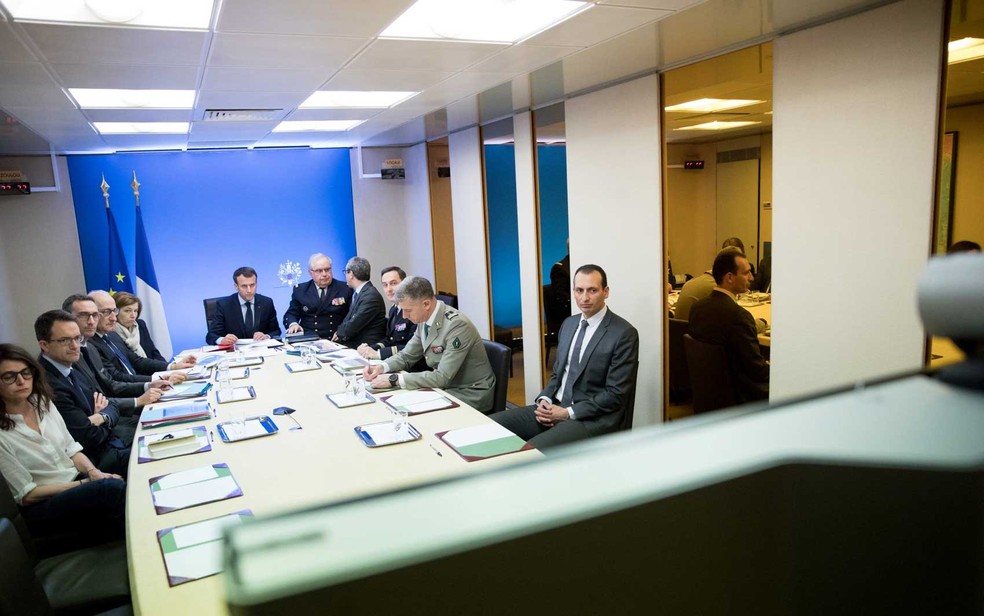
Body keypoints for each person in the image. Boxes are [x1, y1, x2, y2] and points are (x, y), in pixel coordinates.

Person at [489, 265, 639, 449]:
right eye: (579, 290)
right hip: (555, 406)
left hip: (590, 418)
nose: (584, 298)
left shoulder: (623, 333)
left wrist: (567, 413)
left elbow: (615, 395)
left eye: (592, 290)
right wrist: (545, 399)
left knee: (527, 452)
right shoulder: (568, 324)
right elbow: (558, 374)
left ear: (605, 292)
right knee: (488, 427)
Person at [0, 343, 125, 545]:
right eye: (9, 376)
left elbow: (72, 449)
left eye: (26, 372)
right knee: (110, 489)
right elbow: (27, 495)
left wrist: (94, 472)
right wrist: (87, 482)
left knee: (127, 463)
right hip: (43, 504)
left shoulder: (43, 403)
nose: (21, 381)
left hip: (76, 478)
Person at [362, 276, 496, 413]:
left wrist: (394, 379)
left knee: (409, 411)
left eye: (408, 310)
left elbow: (442, 377)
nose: (404, 316)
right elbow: (407, 355)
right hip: (445, 387)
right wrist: (382, 367)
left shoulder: (457, 325)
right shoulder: (424, 318)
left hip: (469, 392)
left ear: (426, 304)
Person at [34, 311, 130, 476]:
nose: (75, 345)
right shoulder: (47, 383)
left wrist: (101, 417)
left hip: (109, 444)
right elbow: (87, 437)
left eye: (77, 338)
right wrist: (106, 416)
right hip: (96, 461)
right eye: (65, 340)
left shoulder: (70, 367)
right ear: (44, 345)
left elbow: (110, 404)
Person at [63, 294, 167, 419]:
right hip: (115, 413)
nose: (113, 318)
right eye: (106, 312)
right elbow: (110, 386)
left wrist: (153, 382)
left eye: (94, 315)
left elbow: (134, 361)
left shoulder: (101, 341)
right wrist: (139, 398)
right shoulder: (79, 350)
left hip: (117, 408)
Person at [688, 249, 770, 403]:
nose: (752, 278)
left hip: (709, 394)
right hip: (740, 395)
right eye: (746, 273)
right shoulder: (738, 316)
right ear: (730, 277)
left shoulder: (697, 307)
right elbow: (757, 371)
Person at [86, 290, 195, 381]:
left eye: (114, 311)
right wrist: (159, 379)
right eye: (106, 312)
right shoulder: (91, 344)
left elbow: (136, 360)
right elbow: (116, 378)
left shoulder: (112, 336)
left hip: (141, 385)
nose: (114, 318)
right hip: (131, 393)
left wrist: (173, 367)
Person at [206, 267, 281, 345]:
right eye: (244, 286)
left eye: (252, 285)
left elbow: (276, 331)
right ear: (236, 286)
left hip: (261, 350)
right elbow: (210, 336)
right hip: (235, 352)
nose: (249, 290)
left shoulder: (266, 303)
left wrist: (266, 336)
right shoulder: (224, 305)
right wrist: (222, 340)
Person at [284, 253, 352, 340]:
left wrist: (343, 331)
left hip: (336, 338)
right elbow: (291, 313)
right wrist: (293, 324)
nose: (324, 274)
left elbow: (352, 316)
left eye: (327, 269)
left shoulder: (345, 288)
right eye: (319, 271)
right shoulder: (301, 290)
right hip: (310, 340)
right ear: (310, 273)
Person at [358, 266, 418, 360]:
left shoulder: (414, 311)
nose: (389, 289)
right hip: (396, 360)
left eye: (393, 283)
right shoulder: (394, 309)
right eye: (385, 285)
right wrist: (370, 349)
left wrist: (379, 354)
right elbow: (390, 340)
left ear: (405, 284)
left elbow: (413, 348)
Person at [332, 256, 387, 348]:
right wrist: (339, 332)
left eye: (346, 272)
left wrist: (339, 333)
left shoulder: (370, 296)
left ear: (351, 274)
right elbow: (348, 318)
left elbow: (354, 324)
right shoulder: (360, 293)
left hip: (367, 348)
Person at [113, 291, 166, 361]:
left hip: (153, 368)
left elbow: (154, 352)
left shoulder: (140, 325)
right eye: (127, 311)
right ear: (115, 312)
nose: (133, 315)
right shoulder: (111, 332)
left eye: (135, 311)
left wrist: (168, 368)